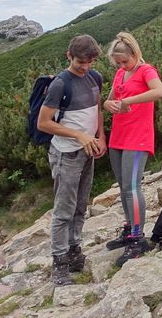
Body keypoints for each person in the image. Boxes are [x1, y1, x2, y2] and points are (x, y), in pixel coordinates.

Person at [37, 35, 106, 286]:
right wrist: (79, 135)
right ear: (69, 56)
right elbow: (43, 123)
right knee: (64, 209)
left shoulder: (95, 77)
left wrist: (101, 136)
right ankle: (59, 263)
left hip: (88, 151)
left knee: (81, 205)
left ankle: (75, 251)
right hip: (66, 153)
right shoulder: (60, 84)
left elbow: (97, 109)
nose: (85, 67)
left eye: (90, 62)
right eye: (80, 62)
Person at [102, 32, 162, 266]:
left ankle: (138, 238)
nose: (121, 65)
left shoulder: (146, 70)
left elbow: (159, 92)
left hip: (137, 136)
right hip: (119, 135)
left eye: (125, 61)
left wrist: (128, 101)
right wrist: (108, 104)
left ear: (135, 54)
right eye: (117, 62)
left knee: (132, 187)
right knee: (123, 186)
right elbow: (110, 100)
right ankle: (129, 229)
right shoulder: (120, 74)